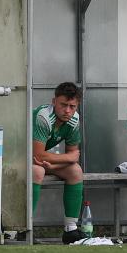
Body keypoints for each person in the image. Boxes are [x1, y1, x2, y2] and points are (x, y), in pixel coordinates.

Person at [31, 82, 88, 244]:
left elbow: (72, 155)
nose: (68, 110)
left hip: (38, 160)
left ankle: (71, 230)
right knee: (37, 172)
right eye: (63, 105)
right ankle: (23, 228)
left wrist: (54, 165)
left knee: (75, 171)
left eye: (72, 106)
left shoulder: (74, 120)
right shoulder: (43, 117)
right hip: (15, 155)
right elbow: (37, 154)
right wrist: (69, 158)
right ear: (54, 101)